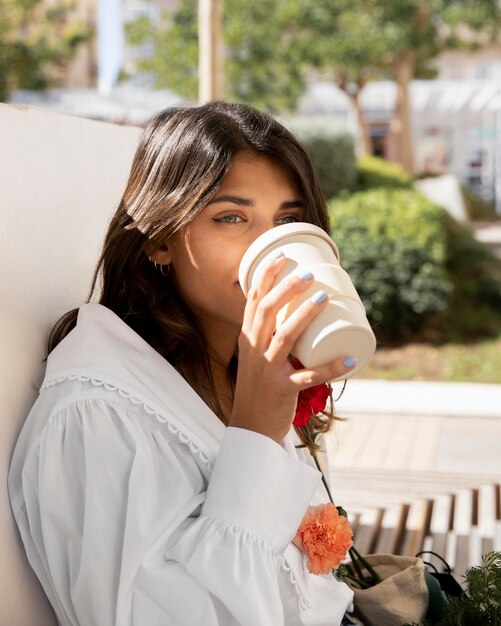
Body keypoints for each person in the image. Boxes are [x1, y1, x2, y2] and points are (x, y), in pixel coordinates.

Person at [8, 101, 358, 626]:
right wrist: (257, 433)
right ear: (159, 239)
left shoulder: (232, 366)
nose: (273, 249)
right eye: (232, 217)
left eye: (288, 220)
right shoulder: (97, 415)